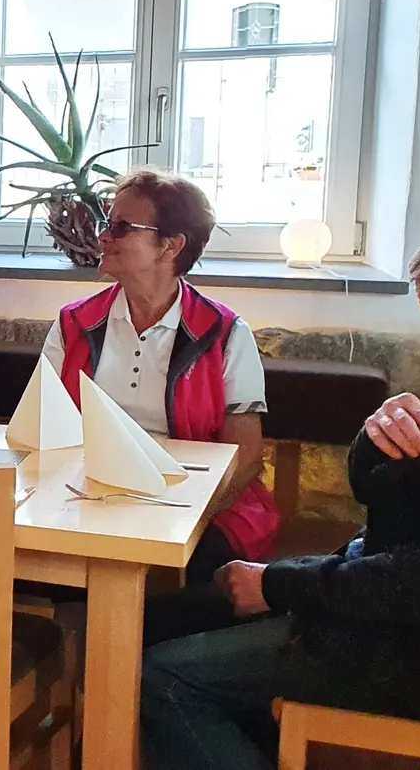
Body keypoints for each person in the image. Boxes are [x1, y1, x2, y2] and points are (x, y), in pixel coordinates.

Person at [137, 210, 420, 769]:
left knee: (164, 678)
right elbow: (391, 493)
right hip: (402, 614)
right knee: (154, 620)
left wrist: (279, 584)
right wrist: (376, 434)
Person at [42, 172, 274, 643]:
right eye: (107, 223)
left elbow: (246, 457)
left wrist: (181, 516)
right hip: (87, 493)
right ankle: (74, 659)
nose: (104, 236)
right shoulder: (73, 323)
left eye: (121, 227)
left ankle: (133, 669)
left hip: (193, 501)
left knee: (204, 584)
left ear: (171, 245)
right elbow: (45, 426)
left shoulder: (225, 333)